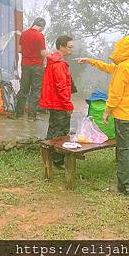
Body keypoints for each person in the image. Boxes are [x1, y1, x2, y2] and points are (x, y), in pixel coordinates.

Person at [78, 36, 129, 196]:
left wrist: (107, 110)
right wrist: (90, 61)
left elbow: (116, 93)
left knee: (124, 150)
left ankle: (126, 187)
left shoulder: (123, 67)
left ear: (122, 49)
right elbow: (108, 67)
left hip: (123, 116)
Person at [39, 35, 74, 168]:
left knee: (53, 128)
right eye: (70, 47)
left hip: (54, 101)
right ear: (61, 47)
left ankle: (50, 157)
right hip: (59, 102)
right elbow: (62, 86)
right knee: (61, 131)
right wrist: (68, 104)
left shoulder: (53, 60)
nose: (72, 50)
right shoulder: (59, 64)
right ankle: (57, 159)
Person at [14, 17, 47, 120]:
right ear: (41, 26)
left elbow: (19, 49)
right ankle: (31, 116)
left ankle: (19, 114)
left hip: (25, 64)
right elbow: (42, 53)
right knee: (35, 90)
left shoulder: (24, 34)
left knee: (24, 89)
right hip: (37, 65)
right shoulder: (40, 36)